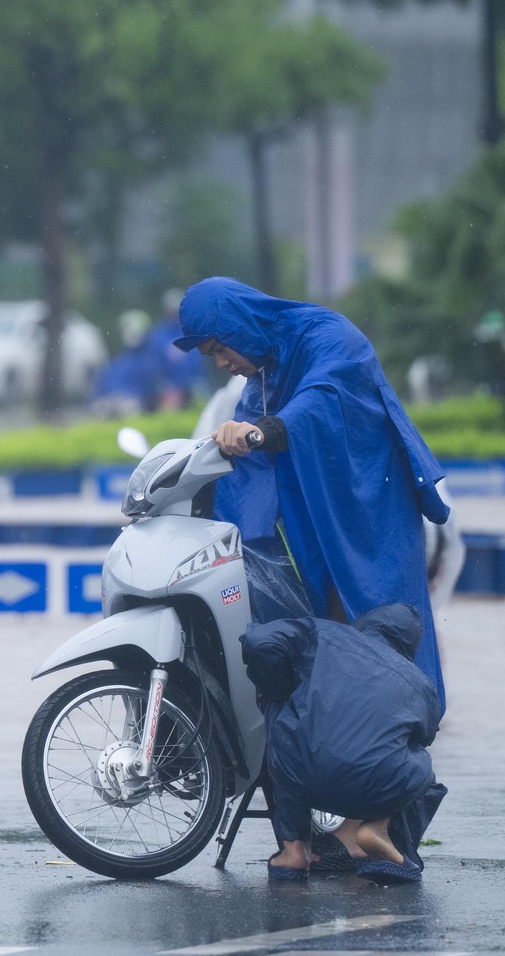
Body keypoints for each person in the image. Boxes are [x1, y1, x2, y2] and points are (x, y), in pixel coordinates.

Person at [175, 276, 451, 701]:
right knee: (322, 632)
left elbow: (320, 398)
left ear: (240, 326)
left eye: (219, 349)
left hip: (371, 511)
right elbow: (245, 466)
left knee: (385, 624)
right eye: (210, 356)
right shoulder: (261, 378)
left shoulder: (330, 335)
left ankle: (401, 731)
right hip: (316, 515)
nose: (221, 364)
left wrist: (262, 431)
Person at [241, 591, 446, 886]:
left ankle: (293, 850)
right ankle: (378, 829)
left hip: (297, 773)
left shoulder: (322, 633)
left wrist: (278, 684)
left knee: (283, 708)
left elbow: (260, 642)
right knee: (420, 758)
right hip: (374, 788)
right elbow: (426, 736)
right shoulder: (417, 679)